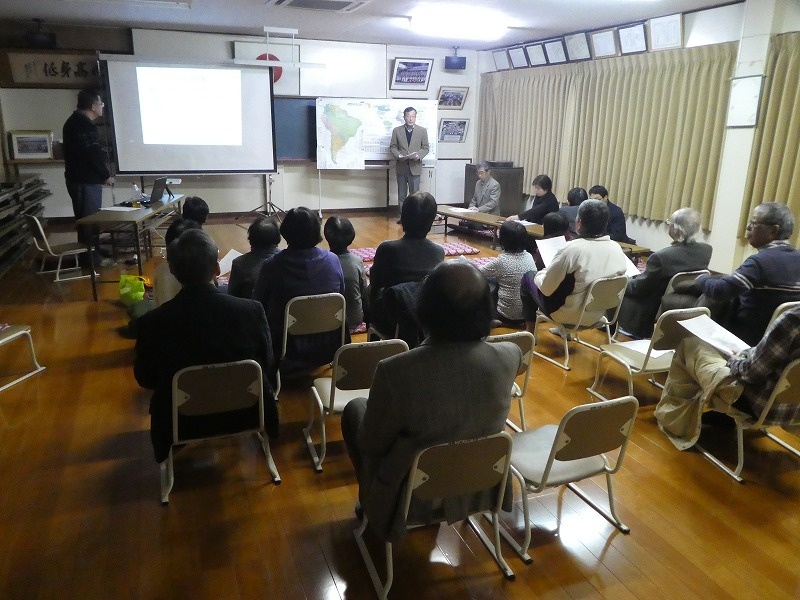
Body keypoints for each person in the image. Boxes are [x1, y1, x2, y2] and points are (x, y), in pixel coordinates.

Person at [341, 260, 523, 541]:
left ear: (425, 310)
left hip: (412, 495)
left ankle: (373, 501)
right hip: (481, 482)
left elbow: (371, 443)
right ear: (487, 311)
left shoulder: (396, 370)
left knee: (355, 409)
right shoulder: (511, 355)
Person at [134, 229, 279, 464]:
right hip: (247, 412)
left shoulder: (152, 322)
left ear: (173, 271)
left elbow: (146, 378)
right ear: (217, 269)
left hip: (181, 422)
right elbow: (267, 363)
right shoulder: (251, 311)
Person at [655, 304, 800, 450]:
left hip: (758, 406)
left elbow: (751, 373)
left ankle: (676, 423)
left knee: (690, 345)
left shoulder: (792, 320)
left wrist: (735, 361)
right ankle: (721, 418)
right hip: (794, 413)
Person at [252, 207, 346, 373]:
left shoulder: (272, 266)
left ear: (285, 232)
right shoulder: (333, 260)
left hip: (287, 348)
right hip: (330, 345)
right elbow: (341, 298)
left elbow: (258, 305)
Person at [696, 202, 800, 346]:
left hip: (745, 340)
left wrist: (701, 278)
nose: (748, 227)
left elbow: (720, 291)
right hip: (782, 342)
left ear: (773, 230)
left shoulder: (759, 262)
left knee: (689, 342)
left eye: (754, 223)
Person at [520, 199, 630, 331]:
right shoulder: (617, 248)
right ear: (605, 224)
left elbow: (546, 289)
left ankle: (530, 332)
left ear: (579, 222)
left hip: (567, 314)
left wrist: (541, 273)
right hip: (598, 314)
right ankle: (564, 332)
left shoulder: (572, 249)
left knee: (528, 277)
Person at [617, 207, 712, 339]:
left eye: (669, 223)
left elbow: (639, 288)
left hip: (648, 309)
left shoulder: (661, 257)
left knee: (618, 286)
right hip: (679, 302)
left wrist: (624, 280)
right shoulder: (706, 250)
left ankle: (609, 327)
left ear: (676, 229)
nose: (668, 225)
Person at [368, 191, 444, 339]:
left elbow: (375, 283)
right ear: (431, 222)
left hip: (392, 320)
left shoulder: (387, 248)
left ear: (403, 218)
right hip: (423, 319)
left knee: (369, 289)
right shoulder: (438, 252)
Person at [62, 87, 115, 268]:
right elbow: (92, 154)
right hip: (84, 181)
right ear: (93, 106)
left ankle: (94, 251)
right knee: (88, 221)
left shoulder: (76, 122)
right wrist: (105, 175)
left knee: (91, 219)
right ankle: (91, 259)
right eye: (101, 103)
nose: (103, 106)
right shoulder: (82, 124)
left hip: (83, 180)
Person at [479, 220, 536, 324]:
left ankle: (493, 318)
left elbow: (478, 272)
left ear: (503, 240)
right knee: (500, 278)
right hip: (529, 316)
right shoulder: (529, 256)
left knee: (486, 281)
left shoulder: (502, 260)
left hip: (506, 316)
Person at [324, 216, 368, 332]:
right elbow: (363, 292)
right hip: (355, 319)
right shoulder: (356, 261)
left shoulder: (321, 262)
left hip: (327, 319)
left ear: (327, 236)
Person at [389, 107, 429, 221]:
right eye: (408, 116)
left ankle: (414, 218)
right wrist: (398, 155)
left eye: (413, 116)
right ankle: (403, 217)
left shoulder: (422, 131)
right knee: (401, 195)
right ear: (404, 117)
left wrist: (419, 155)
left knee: (415, 195)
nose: (411, 119)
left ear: (415, 117)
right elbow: (393, 147)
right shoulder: (397, 130)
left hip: (415, 167)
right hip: (402, 167)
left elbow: (425, 147)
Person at [228, 217, 281, 299]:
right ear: (277, 237)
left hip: (250, 306)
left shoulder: (239, 263)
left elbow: (232, 296)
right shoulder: (289, 260)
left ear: (251, 239)